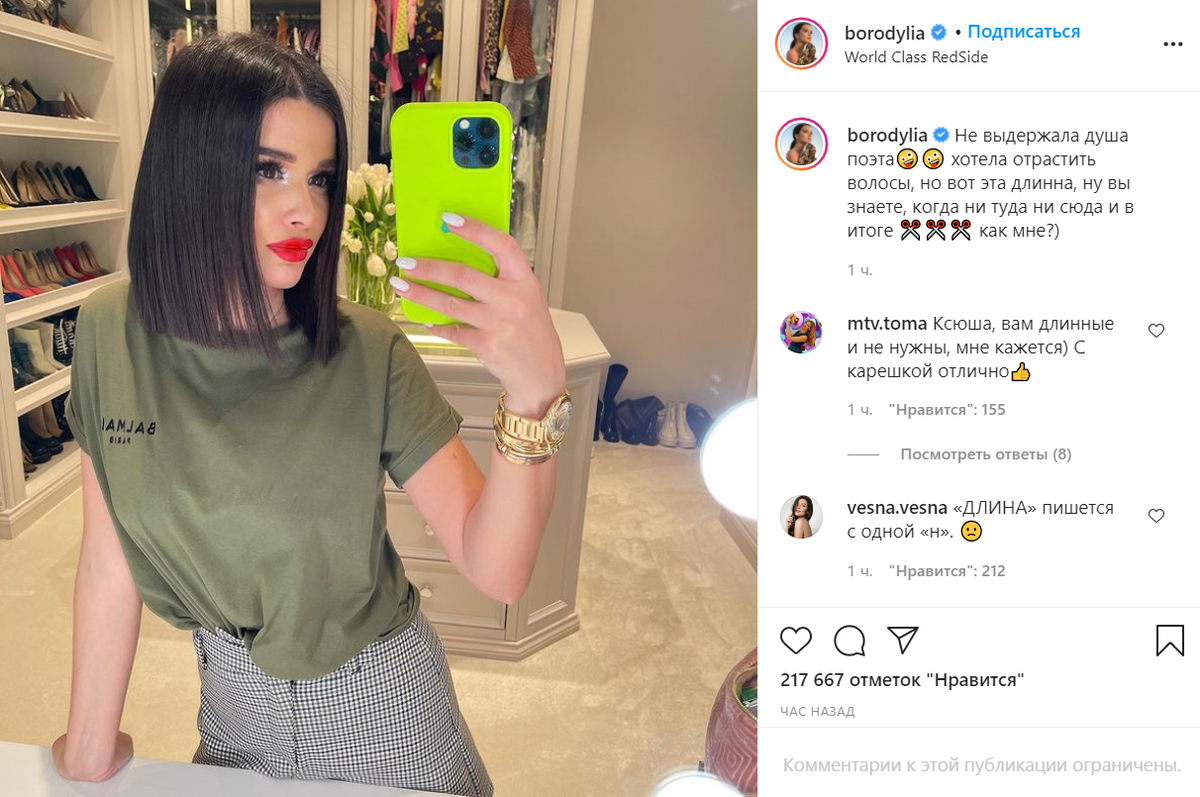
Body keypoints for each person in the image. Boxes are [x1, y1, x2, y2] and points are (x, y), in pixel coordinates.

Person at [52, 33, 572, 796]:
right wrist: (88, 750)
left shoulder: (369, 352)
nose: (308, 209)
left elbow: (498, 569)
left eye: (321, 178)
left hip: (385, 715)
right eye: (269, 169)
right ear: (191, 167)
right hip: (230, 721)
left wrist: (534, 397)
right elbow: (107, 562)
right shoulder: (108, 333)